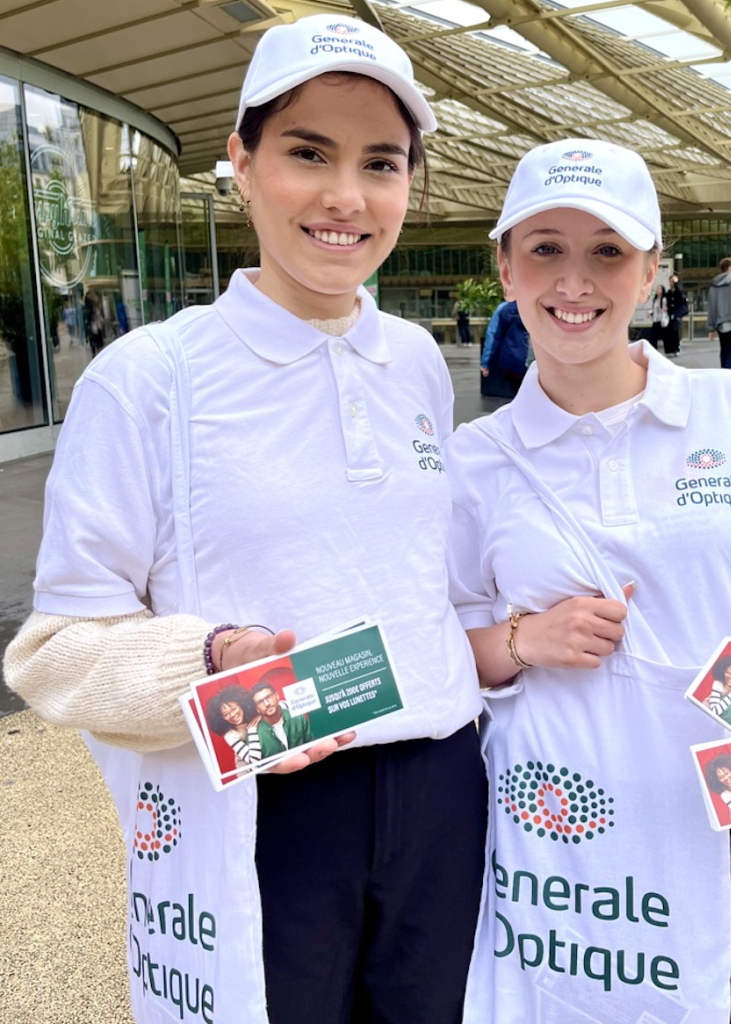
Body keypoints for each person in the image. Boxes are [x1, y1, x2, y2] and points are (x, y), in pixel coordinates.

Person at [3, 15, 487, 1024]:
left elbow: (424, 582)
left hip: (444, 787)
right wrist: (210, 658)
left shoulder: (412, 363)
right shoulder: (152, 376)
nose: (346, 196)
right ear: (241, 160)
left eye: (381, 163)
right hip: (264, 803)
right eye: (308, 152)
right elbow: (52, 651)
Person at [446, 136, 731, 1024]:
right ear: (505, 267)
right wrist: (521, 641)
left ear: (654, 269)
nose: (574, 281)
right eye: (545, 248)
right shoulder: (474, 463)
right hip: (556, 831)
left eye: (608, 252)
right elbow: (435, 653)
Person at [251, 671, 313, 755]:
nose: (267, 704)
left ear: (276, 696)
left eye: (268, 697)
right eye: (260, 702)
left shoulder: (297, 718)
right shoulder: (256, 735)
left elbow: (312, 744)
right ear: (257, 709)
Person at [204, 682, 263, 767]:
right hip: (246, 768)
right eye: (226, 714)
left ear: (241, 704)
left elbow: (282, 705)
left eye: (233, 709)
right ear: (221, 718)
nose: (232, 715)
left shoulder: (254, 712)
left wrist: (262, 715)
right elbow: (253, 760)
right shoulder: (230, 735)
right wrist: (252, 729)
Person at [480, 298, 530, 397]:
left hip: (511, 362)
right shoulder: (539, 306)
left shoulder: (504, 308)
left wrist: (486, 363)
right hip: (537, 363)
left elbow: (493, 336)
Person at [665, 273, 688, 355]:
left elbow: (682, 301)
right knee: (670, 331)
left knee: (676, 330)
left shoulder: (679, 291)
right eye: (670, 282)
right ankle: (671, 349)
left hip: (677, 313)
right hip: (670, 314)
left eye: (673, 282)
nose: (672, 283)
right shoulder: (668, 292)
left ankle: (677, 347)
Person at [83, 288, 105, 358]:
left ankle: (96, 350)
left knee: (95, 339)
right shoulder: (91, 307)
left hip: (95, 325)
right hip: (95, 325)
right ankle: (96, 350)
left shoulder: (93, 307)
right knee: (95, 338)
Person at [650, 282, 669, 352]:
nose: (657, 290)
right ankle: (654, 349)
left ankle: (667, 349)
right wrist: (650, 313)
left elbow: (664, 309)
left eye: (659, 289)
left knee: (664, 336)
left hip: (661, 320)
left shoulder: (664, 299)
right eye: (657, 289)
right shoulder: (655, 299)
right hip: (655, 320)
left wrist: (666, 309)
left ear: (662, 290)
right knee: (653, 336)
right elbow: (654, 309)